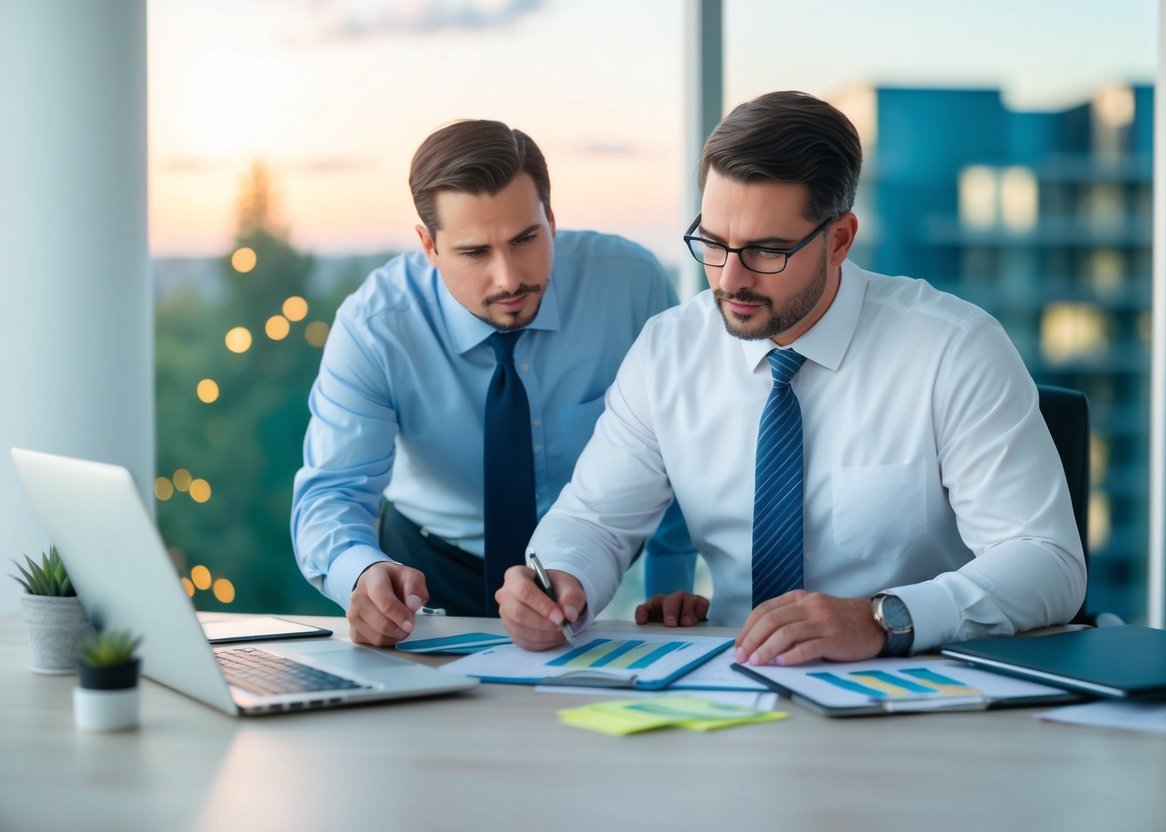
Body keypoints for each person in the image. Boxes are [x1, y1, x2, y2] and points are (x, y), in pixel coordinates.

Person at [497, 90, 1086, 666]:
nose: (729, 279)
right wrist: (559, 580)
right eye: (715, 243)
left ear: (840, 239)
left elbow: (1046, 561)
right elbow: (593, 521)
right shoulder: (668, 351)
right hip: (733, 680)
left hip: (913, 686)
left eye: (766, 251)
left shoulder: (953, 350)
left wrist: (884, 618)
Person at [291, 119, 695, 646]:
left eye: (526, 238)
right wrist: (362, 575)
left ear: (551, 218)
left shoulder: (630, 286)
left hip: (589, 573)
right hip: (429, 576)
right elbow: (332, 492)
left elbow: (678, 450)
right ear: (429, 246)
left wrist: (669, 587)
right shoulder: (375, 328)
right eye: (474, 252)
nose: (508, 277)